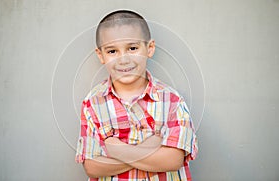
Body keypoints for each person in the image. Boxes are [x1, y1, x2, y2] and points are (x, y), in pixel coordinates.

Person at [75, 9, 198, 181]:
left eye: (132, 48)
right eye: (112, 51)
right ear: (100, 55)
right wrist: (150, 147)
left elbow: (173, 160)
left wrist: (118, 150)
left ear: (149, 48)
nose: (123, 59)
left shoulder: (171, 100)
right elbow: (92, 167)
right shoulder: (93, 103)